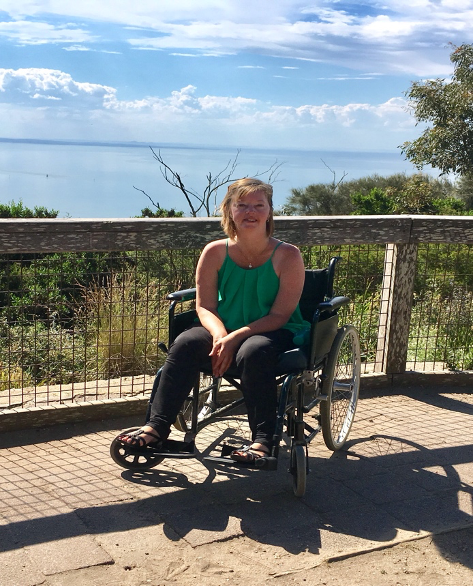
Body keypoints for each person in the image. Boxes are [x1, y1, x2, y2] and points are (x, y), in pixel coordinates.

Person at [116, 178, 310, 462]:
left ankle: (263, 442)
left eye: (258, 205)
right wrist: (221, 336)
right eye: (241, 205)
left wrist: (234, 338)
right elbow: (204, 306)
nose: (250, 212)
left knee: (253, 350)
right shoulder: (215, 251)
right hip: (223, 326)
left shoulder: (288, 255)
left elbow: (280, 315)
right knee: (185, 342)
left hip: (274, 330)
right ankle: (156, 428)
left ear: (269, 211)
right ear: (229, 210)